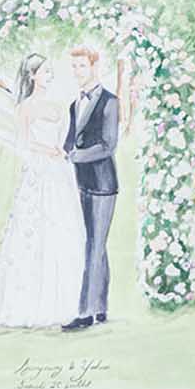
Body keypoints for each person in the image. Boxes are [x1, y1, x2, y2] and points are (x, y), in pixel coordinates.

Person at [0, 54, 88, 330]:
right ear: (32, 76)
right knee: (36, 231)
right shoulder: (24, 108)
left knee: (64, 229)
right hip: (40, 170)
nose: (49, 76)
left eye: (50, 72)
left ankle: (66, 303)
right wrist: (48, 151)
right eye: (44, 72)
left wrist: (61, 151)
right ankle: (31, 304)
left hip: (60, 171)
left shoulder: (55, 105)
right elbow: (23, 143)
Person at [61, 44, 120, 330]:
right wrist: (62, 151)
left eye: (81, 66)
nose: (76, 71)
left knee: (94, 246)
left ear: (94, 66)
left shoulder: (110, 101)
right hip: (81, 182)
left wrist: (76, 156)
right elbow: (70, 140)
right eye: (73, 66)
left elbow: (108, 145)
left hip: (103, 184)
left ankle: (85, 313)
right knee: (98, 245)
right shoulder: (74, 104)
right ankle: (101, 307)